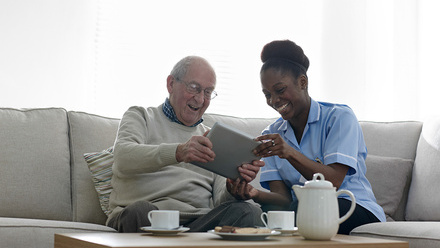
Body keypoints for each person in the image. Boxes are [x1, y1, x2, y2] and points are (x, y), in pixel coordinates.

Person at [228, 40, 386, 234]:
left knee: (302, 213)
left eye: (280, 90)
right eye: (267, 94)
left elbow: (334, 181)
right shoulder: (271, 134)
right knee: (266, 215)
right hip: (305, 212)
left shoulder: (339, 118)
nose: (273, 100)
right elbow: (283, 199)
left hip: (353, 207)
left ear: (303, 82)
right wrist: (254, 194)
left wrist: (289, 153)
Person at [107, 56, 264, 233]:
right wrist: (179, 152)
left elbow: (220, 201)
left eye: (208, 92)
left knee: (247, 211)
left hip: (197, 223)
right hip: (146, 216)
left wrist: (232, 189)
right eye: (194, 88)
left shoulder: (213, 137)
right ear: (171, 84)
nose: (200, 99)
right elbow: (122, 158)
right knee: (140, 212)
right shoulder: (140, 116)